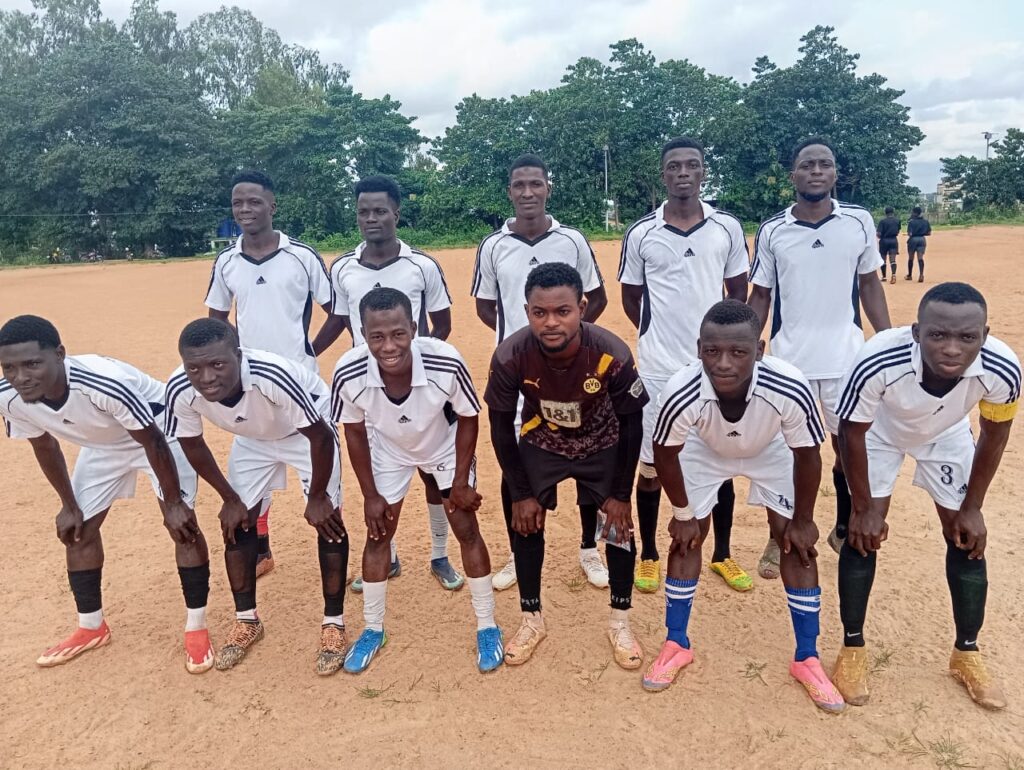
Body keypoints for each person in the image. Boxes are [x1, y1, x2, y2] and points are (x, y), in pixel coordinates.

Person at [644, 300, 844, 712]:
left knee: (796, 542)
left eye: (739, 352)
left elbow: (808, 454)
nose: (724, 363)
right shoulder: (680, 390)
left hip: (771, 448)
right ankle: (676, 643)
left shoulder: (789, 385)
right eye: (712, 351)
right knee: (687, 539)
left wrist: (804, 519)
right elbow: (665, 453)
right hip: (704, 448)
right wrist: (682, 515)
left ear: (760, 350)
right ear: (699, 349)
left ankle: (807, 657)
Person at [833, 282, 1019, 710]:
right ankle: (852, 649)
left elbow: (995, 433)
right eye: (938, 335)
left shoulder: (1002, 368)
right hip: (879, 432)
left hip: (946, 433)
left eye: (967, 337)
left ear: (985, 335)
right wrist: (862, 508)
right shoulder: (878, 358)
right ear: (917, 332)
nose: (952, 348)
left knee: (965, 536)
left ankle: (966, 653)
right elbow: (851, 431)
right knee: (863, 536)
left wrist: (973, 507)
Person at [0, 315, 213, 673]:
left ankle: (197, 628)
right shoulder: (9, 396)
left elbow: (153, 441)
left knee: (181, 527)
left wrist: (174, 502)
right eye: (9, 367)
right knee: (77, 530)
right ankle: (91, 627)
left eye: (32, 364)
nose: (21, 377)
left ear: (59, 355)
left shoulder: (104, 384)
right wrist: (68, 505)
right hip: (103, 445)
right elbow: (44, 445)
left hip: (159, 433)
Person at [332, 288, 503, 674]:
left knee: (466, 529)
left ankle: (487, 625)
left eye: (398, 334)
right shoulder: (348, 370)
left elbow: (469, 417)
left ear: (413, 327)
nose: (388, 346)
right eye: (376, 336)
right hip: (389, 451)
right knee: (378, 534)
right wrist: (370, 495)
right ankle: (373, 629)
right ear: (362, 334)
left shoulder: (446, 361)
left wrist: (460, 481)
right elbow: (354, 432)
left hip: (443, 446)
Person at [485, 263, 647, 669]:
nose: (551, 322)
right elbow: (500, 429)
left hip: (602, 441)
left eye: (563, 311)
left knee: (618, 530)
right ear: (527, 312)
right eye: (540, 313)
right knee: (524, 521)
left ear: (582, 308)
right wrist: (521, 493)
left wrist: (621, 495)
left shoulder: (612, 353)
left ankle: (620, 622)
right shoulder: (510, 356)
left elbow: (632, 425)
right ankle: (531, 619)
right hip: (543, 440)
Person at [164, 319, 348, 675]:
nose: (206, 378)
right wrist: (229, 498)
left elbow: (321, 437)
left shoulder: (272, 376)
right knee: (238, 524)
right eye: (194, 368)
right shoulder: (179, 388)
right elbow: (192, 444)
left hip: (306, 432)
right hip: (252, 440)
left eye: (218, 364)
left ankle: (334, 624)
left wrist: (318, 496)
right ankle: (247, 619)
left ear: (238, 354)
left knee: (328, 522)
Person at [749, 137, 892, 577]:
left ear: (835, 173)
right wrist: (749, 344)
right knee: (784, 453)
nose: (816, 171)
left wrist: (887, 340)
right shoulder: (773, 230)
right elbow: (761, 294)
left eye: (824, 164)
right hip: (789, 363)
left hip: (845, 359)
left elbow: (869, 284)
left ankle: (843, 525)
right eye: (807, 164)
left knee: (847, 447)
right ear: (793, 175)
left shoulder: (858, 221)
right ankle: (778, 535)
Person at [472, 153, 611, 592]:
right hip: (521, 377)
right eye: (520, 185)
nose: (528, 192)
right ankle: (520, 552)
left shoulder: (572, 240)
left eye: (536, 184)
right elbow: (485, 306)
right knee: (517, 463)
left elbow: (597, 297)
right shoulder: (493, 245)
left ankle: (589, 548)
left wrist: (568, 341)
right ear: (509, 192)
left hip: (573, 373)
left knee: (586, 456)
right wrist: (523, 346)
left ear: (548, 187)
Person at [618, 136, 750, 594]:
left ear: (703, 171)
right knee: (652, 464)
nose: (683, 173)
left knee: (720, 459)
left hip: (715, 369)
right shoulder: (641, 232)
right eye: (674, 166)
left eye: (692, 165)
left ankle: (723, 554)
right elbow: (631, 297)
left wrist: (721, 349)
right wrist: (655, 334)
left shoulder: (726, 227)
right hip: (659, 367)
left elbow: (738, 292)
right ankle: (649, 554)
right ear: (663, 174)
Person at [320, 175, 459, 594]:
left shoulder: (422, 266)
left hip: (421, 389)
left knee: (433, 477)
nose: (371, 218)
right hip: (369, 394)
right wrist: (308, 351)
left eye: (380, 211)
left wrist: (417, 368)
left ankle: (440, 554)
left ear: (396, 213)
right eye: (363, 211)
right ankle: (391, 555)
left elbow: (441, 324)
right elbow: (341, 320)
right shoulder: (342, 268)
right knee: (380, 480)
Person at [205, 170, 335, 579]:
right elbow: (215, 321)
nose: (245, 209)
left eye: (254, 201)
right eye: (238, 203)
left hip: (300, 386)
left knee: (320, 474)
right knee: (253, 474)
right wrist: (231, 363)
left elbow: (338, 311)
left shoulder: (302, 256)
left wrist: (310, 350)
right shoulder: (227, 261)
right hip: (249, 389)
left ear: (272, 206)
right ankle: (261, 550)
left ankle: (334, 556)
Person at [906, 206, 932, 282]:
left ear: (914, 213)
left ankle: (910, 275)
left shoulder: (911, 222)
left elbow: (910, 233)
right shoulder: (925, 221)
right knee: (920, 258)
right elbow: (929, 233)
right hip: (922, 239)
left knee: (911, 258)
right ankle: (921, 275)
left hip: (913, 240)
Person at [876, 206, 901, 284]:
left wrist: (879, 237)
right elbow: (898, 231)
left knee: (883, 259)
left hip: (884, 241)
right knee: (893, 259)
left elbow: (879, 233)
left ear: (885, 213)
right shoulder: (897, 220)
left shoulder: (882, 221)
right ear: (893, 212)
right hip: (894, 240)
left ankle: (884, 277)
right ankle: (893, 275)